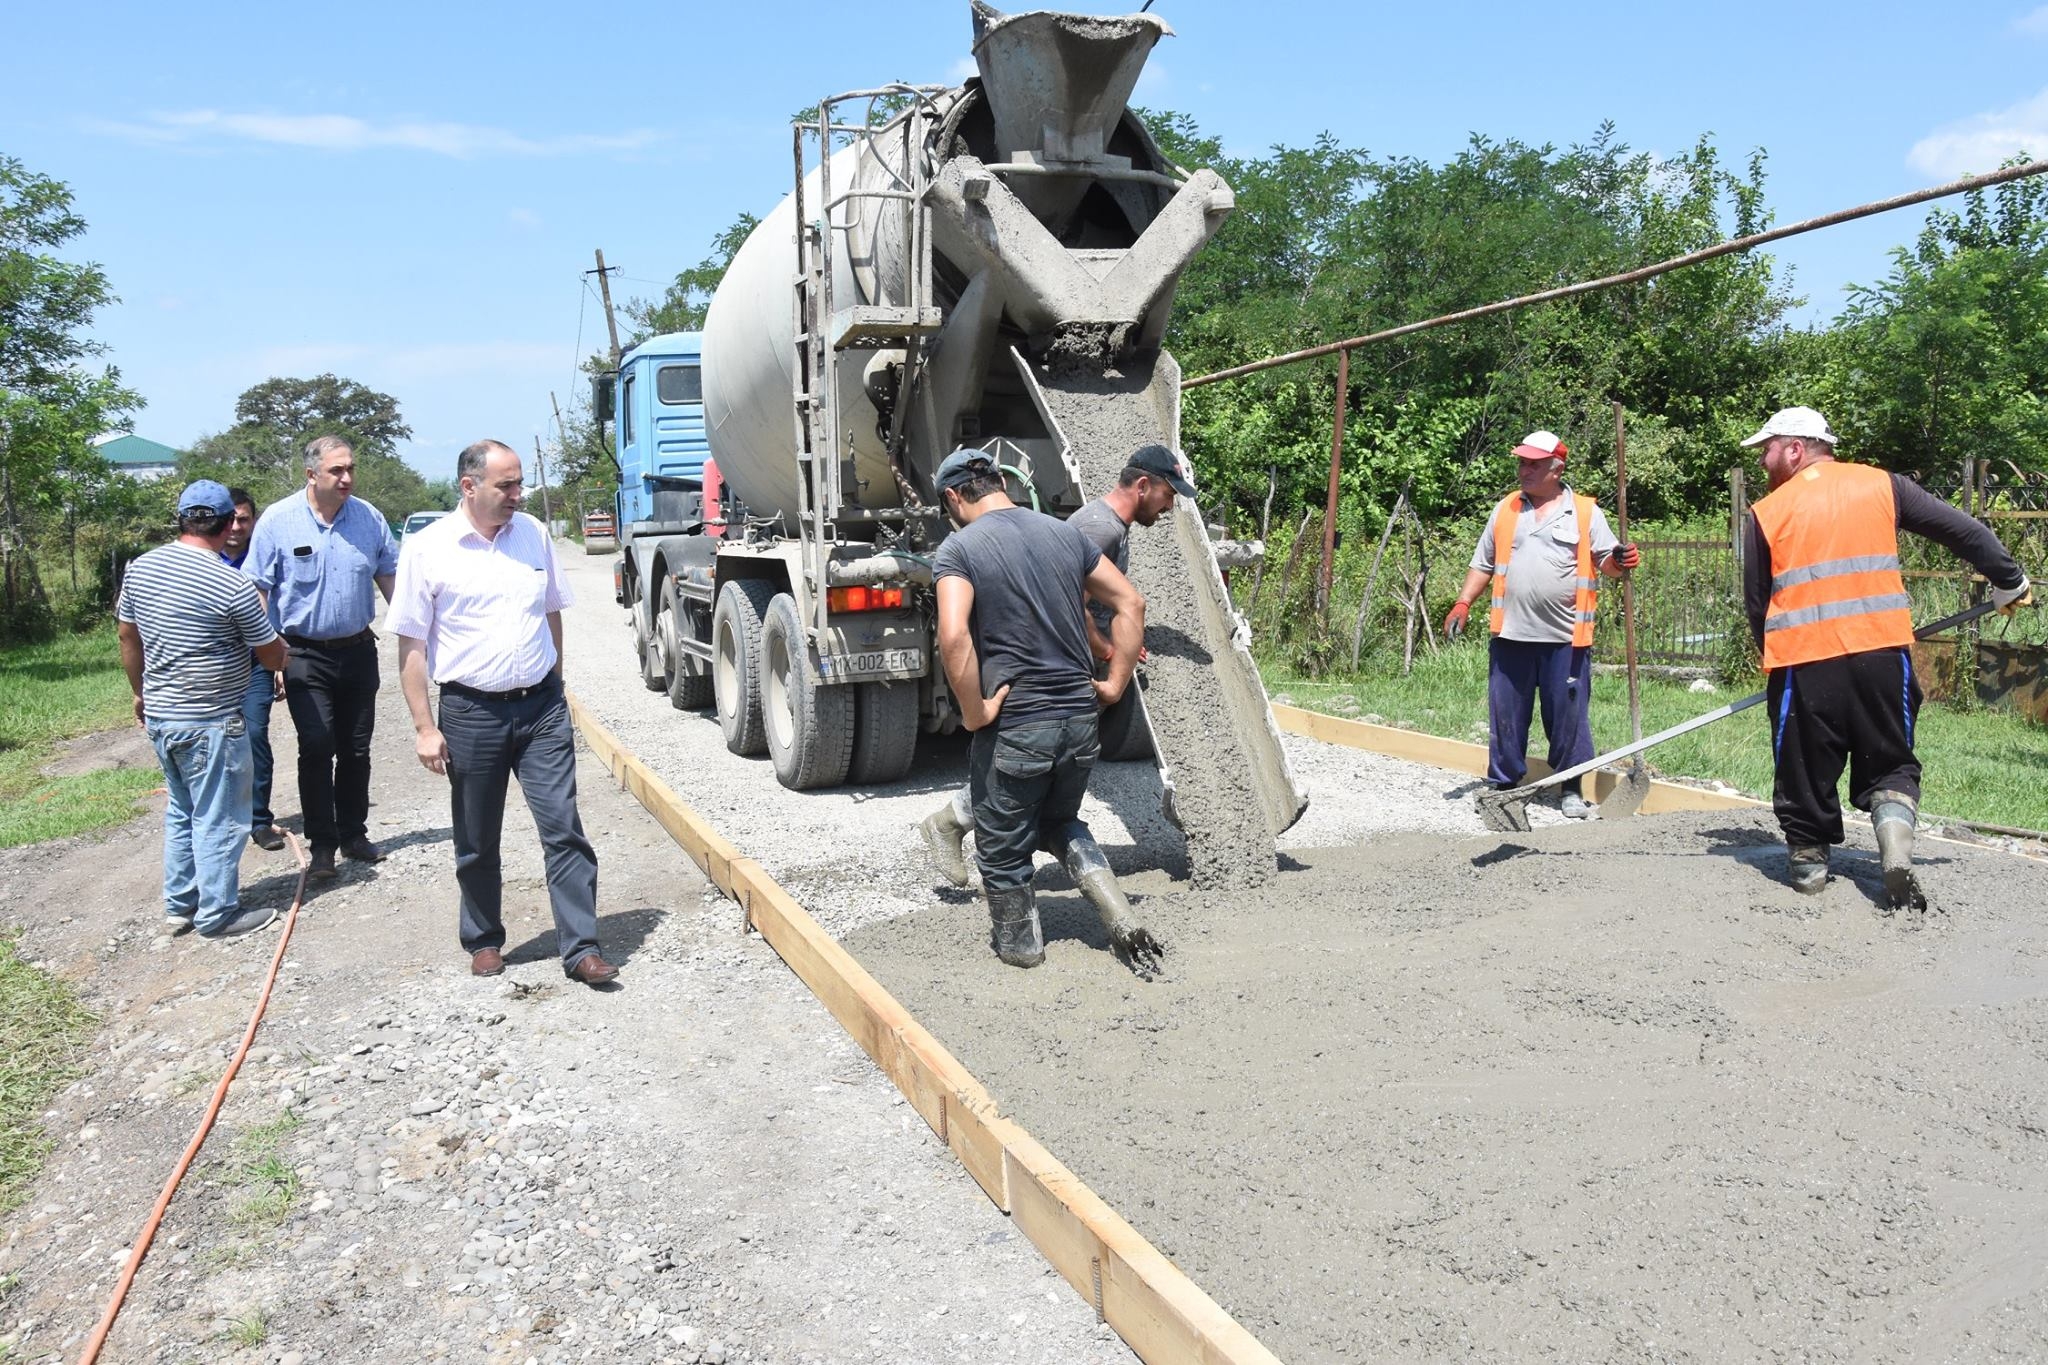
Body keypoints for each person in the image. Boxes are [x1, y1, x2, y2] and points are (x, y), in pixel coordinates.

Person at [1739, 406, 2030, 907]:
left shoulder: (1768, 511)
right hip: (1882, 656)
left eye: (1767, 449)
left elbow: (1757, 603)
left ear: (1794, 449)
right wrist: (2010, 580)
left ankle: (1809, 863)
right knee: (1890, 763)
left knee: (1803, 770)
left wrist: (1774, 664)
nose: (1764, 461)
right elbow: (1965, 532)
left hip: (1805, 665)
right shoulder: (1883, 485)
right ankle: (1894, 836)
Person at [917, 442, 1196, 886]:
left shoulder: (1102, 527)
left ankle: (963, 828)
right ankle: (955, 826)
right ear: (1143, 485)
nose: (1170, 506)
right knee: (1026, 763)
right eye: (1168, 494)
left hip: (1061, 673)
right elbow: (1069, 601)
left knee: (1037, 766)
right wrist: (1108, 652)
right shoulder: (1096, 530)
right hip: (1054, 668)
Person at [389, 440, 614, 985]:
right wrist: (424, 727)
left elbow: (551, 612)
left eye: (519, 483)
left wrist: (556, 682)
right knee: (476, 835)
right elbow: (411, 646)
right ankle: (484, 938)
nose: (518, 494)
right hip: (471, 712)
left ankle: (581, 948)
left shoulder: (532, 534)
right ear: (469, 486)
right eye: (506, 485)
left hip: (541, 709)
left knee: (563, 828)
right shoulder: (428, 548)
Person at [117, 480, 289, 939]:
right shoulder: (231, 583)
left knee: (182, 809)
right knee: (220, 817)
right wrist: (282, 653)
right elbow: (270, 655)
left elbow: (127, 636)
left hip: (163, 716)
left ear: (181, 519)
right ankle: (218, 913)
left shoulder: (141, 569)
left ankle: (181, 906)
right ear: (228, 523)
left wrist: (140, 692)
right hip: (211, 719)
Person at [1444, 430, 1640, 818]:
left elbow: (1608, 563)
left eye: (1533, 464)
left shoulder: (1585, 512)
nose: (1524, 470)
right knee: (1506, 716)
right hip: (1511, 635)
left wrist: (1621, 560)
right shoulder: (1505, 510)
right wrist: (1463, 603)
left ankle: (1571, 788)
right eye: (1521, 462)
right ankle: (1503, 787)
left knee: (1568, 718)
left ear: (1556, 469)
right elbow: (1483, 564)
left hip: (1565, 638)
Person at [242, 436, 399, 879]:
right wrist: (269, 651)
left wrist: (417, 632)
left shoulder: (368, 518)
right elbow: (257, 588)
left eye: (350, 468)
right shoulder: (278, 521)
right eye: (337, 470)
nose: (347, 478)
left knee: (356, 748)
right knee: (316, 745)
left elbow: (391, 577)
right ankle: (322, 845)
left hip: (358, 650)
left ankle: (353, 835)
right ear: (311, 474)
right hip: (302, 653)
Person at [221, 488, 286, 851]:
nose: (235, 527)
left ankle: (259, 820)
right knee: (217, 740)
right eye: (229, 519)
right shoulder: (205, 560)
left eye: (243, 519)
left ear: (254, 521)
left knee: (254, 734)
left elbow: (280, 611)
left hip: (257, 663)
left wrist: (278, 664)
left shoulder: (265, 556)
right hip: (215, 668)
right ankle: (223, 818)